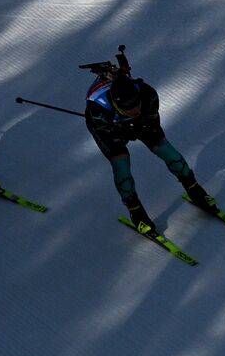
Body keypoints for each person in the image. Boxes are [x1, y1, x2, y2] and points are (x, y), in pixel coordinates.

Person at [83, 58, 217, 235]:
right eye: (128, 108)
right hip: (109, 128)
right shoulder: (97, 110)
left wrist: (137, 124)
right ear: (116, 104)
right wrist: (124, 129)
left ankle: (194, 188)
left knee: (168, 151)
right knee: (121, 165)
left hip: (133, 123)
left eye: (136, 105)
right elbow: (110, 137)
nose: (135, 110)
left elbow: (152, 123)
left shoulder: (148, 94)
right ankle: (135, 211)